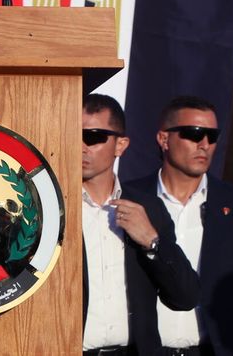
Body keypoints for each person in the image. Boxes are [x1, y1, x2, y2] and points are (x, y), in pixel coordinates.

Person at [128, 95, 233, 355]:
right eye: (193, 133)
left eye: (211, 136)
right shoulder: (129, 199)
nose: (204, 144)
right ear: (163, 139)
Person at [81, 94, 198, 355]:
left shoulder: (148, 208)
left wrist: (152, 242)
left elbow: (185, 296)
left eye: (94, 137)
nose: (81, 146)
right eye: (74, 134)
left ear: (120, 145)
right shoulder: (50, 207)